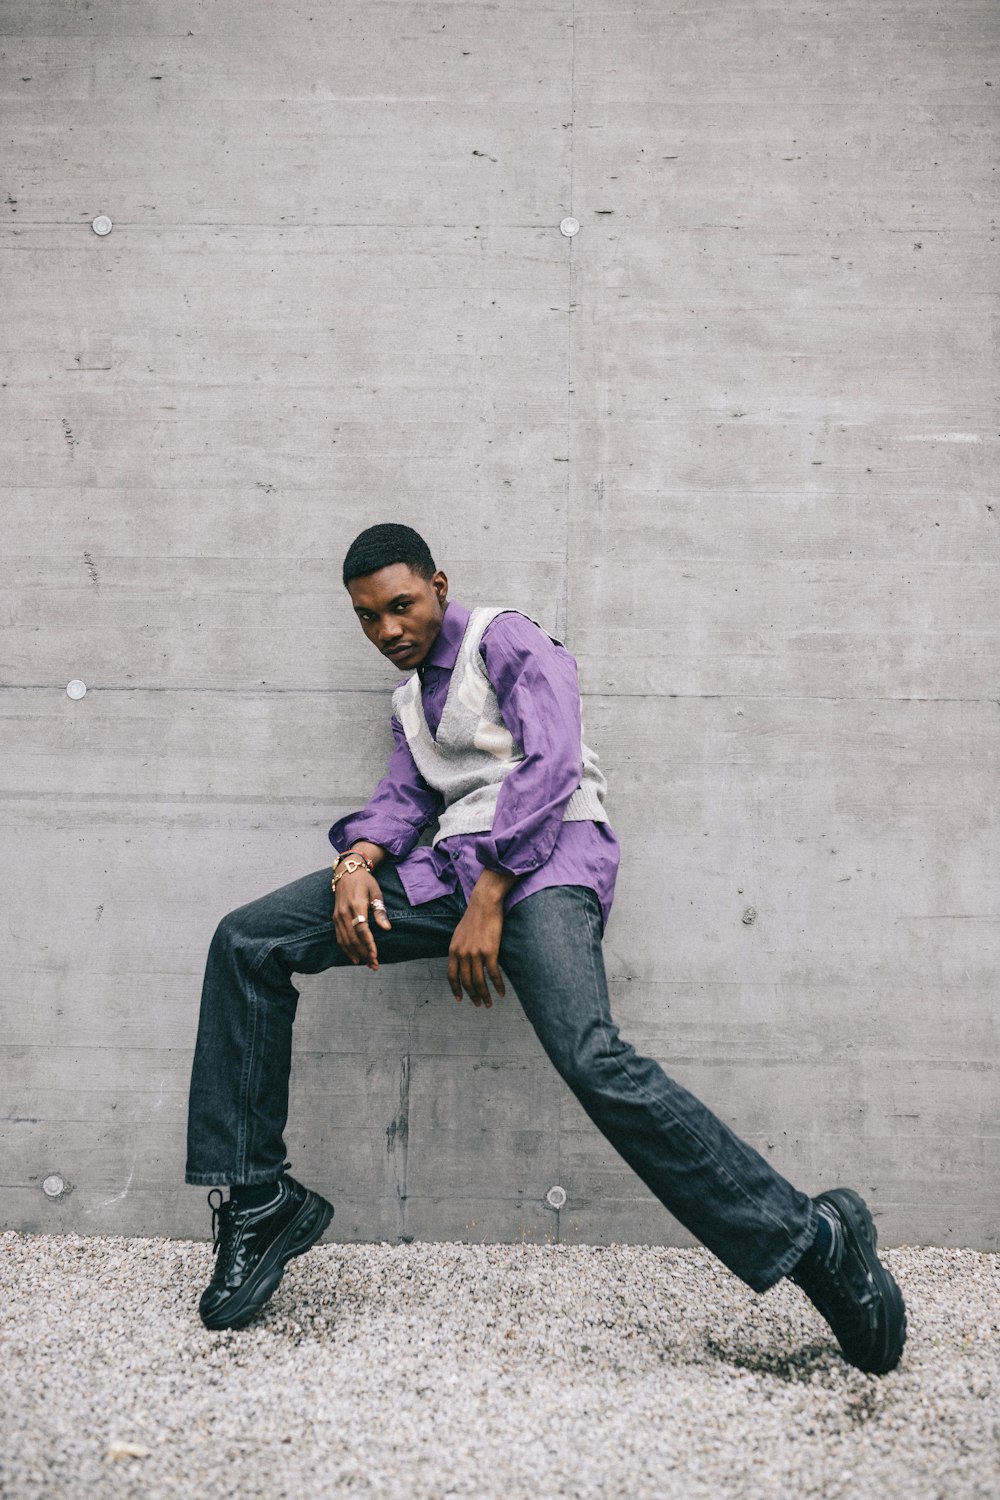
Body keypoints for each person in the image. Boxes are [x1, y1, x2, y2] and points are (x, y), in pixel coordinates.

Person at [185, 523, 906, 1373]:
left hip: (545, 865)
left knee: (593, 1058)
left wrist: (492, 893)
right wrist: (355, 861)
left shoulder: (508, 638)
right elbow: (403, 797)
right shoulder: (413, 700)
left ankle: (817, 1242)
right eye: (368, 618)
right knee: (249, 940)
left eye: (401, 606)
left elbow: (554, 760)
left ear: (439, 586)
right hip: (450, 875)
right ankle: (260, 1199)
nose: (388, 630)